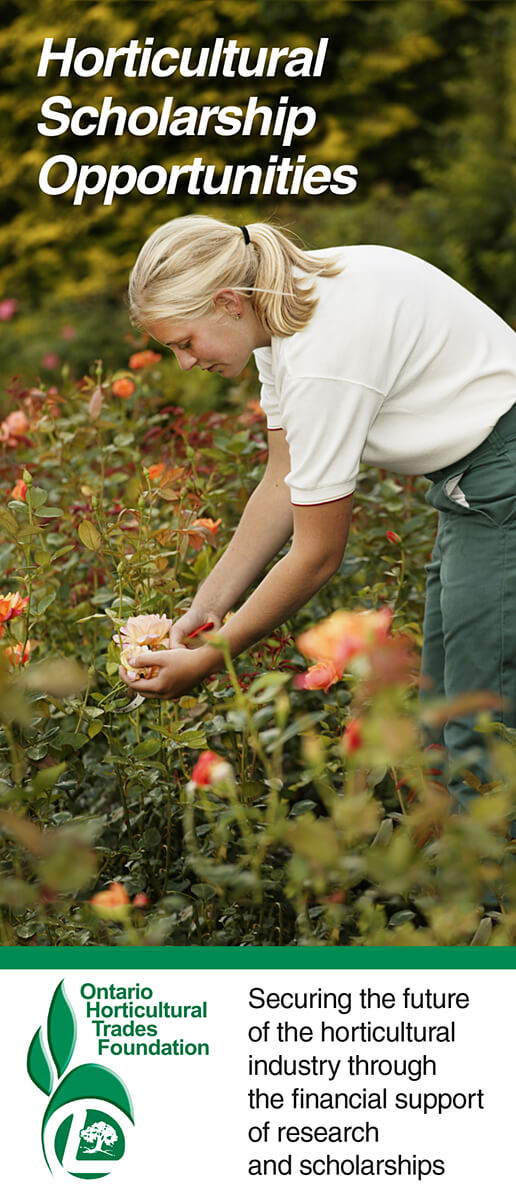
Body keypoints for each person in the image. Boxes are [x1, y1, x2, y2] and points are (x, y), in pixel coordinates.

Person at [121, 214, 516, 809]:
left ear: (227, 302)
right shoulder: (285, 315)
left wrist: (207, 660)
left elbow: (316, 555)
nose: (184, 362)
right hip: (473, 487)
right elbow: (282, 479)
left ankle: (491, 897)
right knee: (443, 716)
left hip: (502, 481)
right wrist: (202, 612)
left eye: (184, 342)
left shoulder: (321, 349)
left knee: (480, 735)